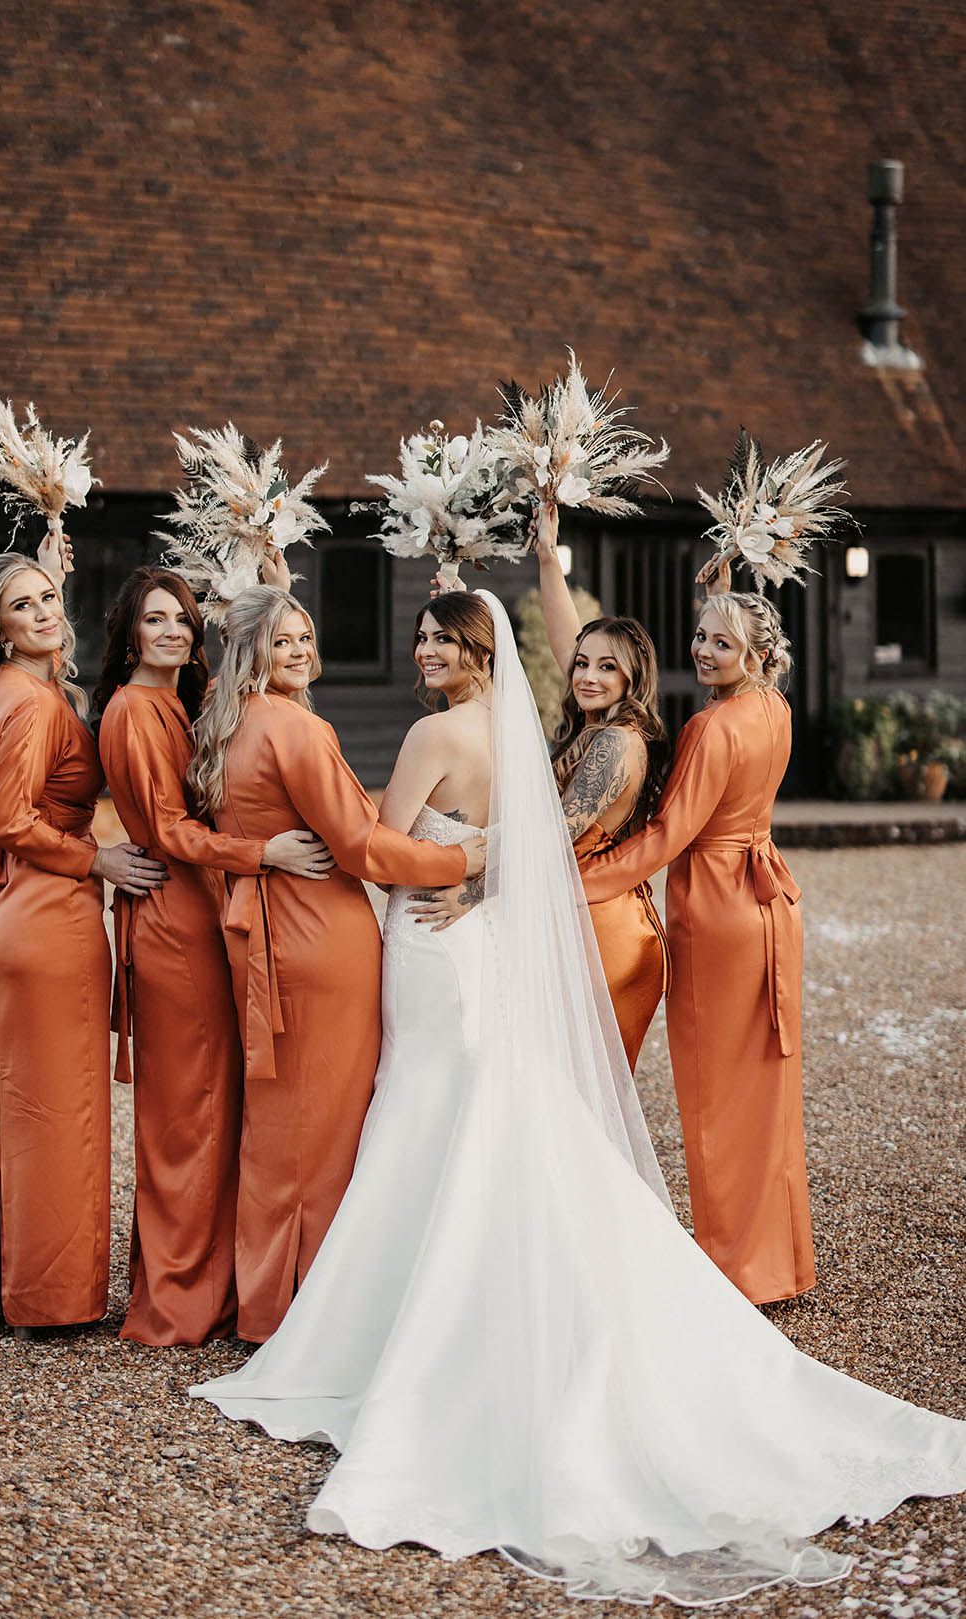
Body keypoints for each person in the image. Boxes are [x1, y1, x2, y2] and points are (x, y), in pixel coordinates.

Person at [190, 588, 965, 1606]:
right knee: (465, 1116)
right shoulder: (519, 731)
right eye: (417, 633)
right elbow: (541, 831)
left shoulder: (434, 731)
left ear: (474, 654)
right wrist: (478, 856)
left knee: (433, 1114)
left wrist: (445, 861)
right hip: (477, 938)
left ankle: (413, 1334)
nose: (422, 649)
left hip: (435, 936)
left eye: (439, 638)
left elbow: (377, 843)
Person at [186, 584, 483, 1342]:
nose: (303, 650)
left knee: (281, 1121)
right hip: (324, 938)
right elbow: (362, 848)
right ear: (254, 649)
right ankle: (305, 1310)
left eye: (307, 636)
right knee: (326, 1127)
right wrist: (456, 857)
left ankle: (266, 1300)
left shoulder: (226, 719)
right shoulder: (297, 730)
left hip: (268, 934)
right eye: (285, 639)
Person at [94, 565, 332, 1346]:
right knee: (187, 1113)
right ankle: (176, 1299)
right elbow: (167, 831)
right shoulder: (132, 711)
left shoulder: (181, 701)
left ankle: (216, 1280)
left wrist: (274, 594)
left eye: (184, 619)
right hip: (173, 922)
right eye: (156, 618)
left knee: (219, 1103)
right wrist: (265, 852)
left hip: (207, 912)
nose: (172, 631)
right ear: (129, 629)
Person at [0, 547, 165, 1336]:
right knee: (59, 1111)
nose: (43, 612)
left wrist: (48, 565)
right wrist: (96, 856)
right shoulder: (27, 703)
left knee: (42, 1110)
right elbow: (8, 822)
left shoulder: (18, 686)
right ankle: (53, 1299)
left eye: (48, 599)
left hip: (34, 913)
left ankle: (20, 1283)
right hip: (44, 914)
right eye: (22, 606)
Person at [580, 583, 815, 1305]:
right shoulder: (773, 708)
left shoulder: (712, 728)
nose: (703, 651)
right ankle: (778, 1263)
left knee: (715, 1095)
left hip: (717, 910)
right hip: (768, 903)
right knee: (767, 1093)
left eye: (721, 642)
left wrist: (578, 881)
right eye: (701, 636)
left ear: (757, 653)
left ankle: (733, 1270)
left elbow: (666, 835)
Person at [413, 506, 669, 1070]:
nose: (586, 675)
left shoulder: (615, 744)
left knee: (583, 1092)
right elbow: (564, 639)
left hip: (604, 933)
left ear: (632, 678)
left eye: (607, 668)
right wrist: (547, 556)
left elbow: (552, 840)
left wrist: (474, 893)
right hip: (570, 916)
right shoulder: (595, 724)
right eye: (582, 664)